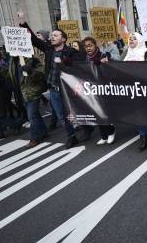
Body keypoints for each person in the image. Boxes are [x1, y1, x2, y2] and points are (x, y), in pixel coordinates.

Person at [20, 20, 78, 148]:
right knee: (61, 116)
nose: (52, 37)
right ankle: (71, 137)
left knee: (75, 112)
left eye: (56, 35)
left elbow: (78, 65)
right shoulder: (49, 49)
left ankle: (86, 130)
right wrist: (23, 23)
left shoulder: (70, 52)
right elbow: (34, 39)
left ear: (63, 39)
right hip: (53, 89)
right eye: (52, 35)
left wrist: (64, 61)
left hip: (66, 89)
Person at [122, 32, 147, 150]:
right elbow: (117, 66)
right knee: (137, 113)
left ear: (140, 40)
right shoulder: (125, 53)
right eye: (130, 39)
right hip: (130, 88)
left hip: (144, 88)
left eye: (134, 39)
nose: (131, 40)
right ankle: (142, 137)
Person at [78, 36, 116, 145]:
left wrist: (104, 61)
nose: (88, 48)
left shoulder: (102, 55)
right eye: (85, 46)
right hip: (90, 88)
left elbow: (110, 63)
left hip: (103, 88)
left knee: (104, 111)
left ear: (95, 45)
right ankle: (103, 136)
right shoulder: (84, 58)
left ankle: (111, 132)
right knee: (96, 112)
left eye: (90, 45)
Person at [20, 56, 48, 148]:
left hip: (33, 94)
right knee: (35, 115)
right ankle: (43, 132)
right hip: (24, 94)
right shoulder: (16, 62)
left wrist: (30, 71)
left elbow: (41, 75)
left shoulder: (35, 63)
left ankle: (34, 138)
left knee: (31, 116)